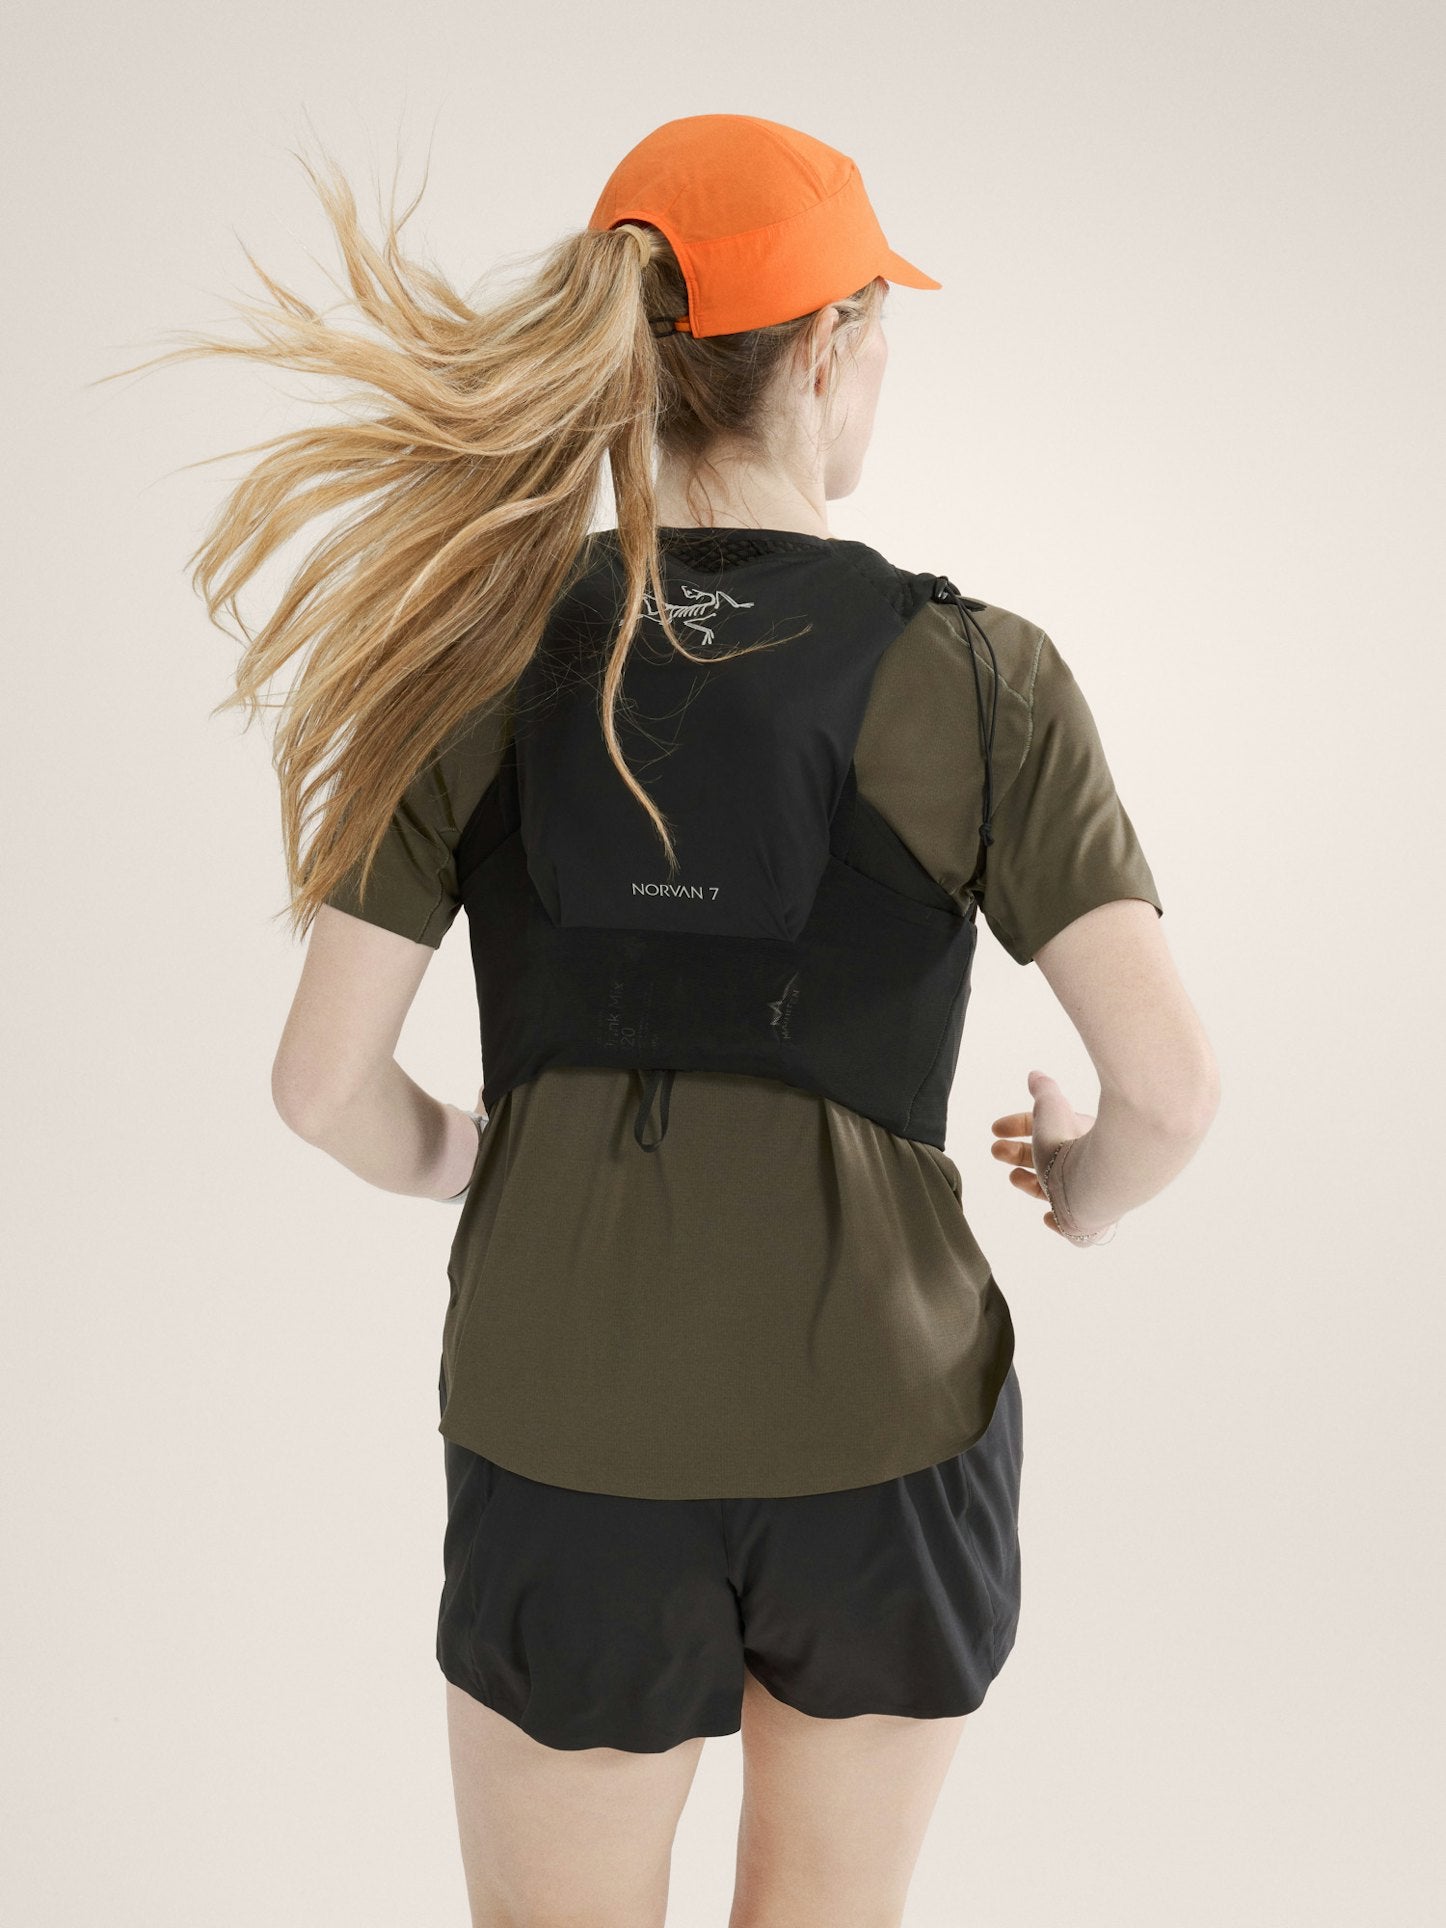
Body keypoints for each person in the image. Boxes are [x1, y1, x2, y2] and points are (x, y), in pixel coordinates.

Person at [152, 113, 1220, 1928]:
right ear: (830, 344)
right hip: (884, 1425)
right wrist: (1083, 1186)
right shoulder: (982, 673)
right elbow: (1171, 1097)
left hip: (558, 1419)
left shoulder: (470, 648)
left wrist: (474, 1162)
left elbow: (319, 1086)